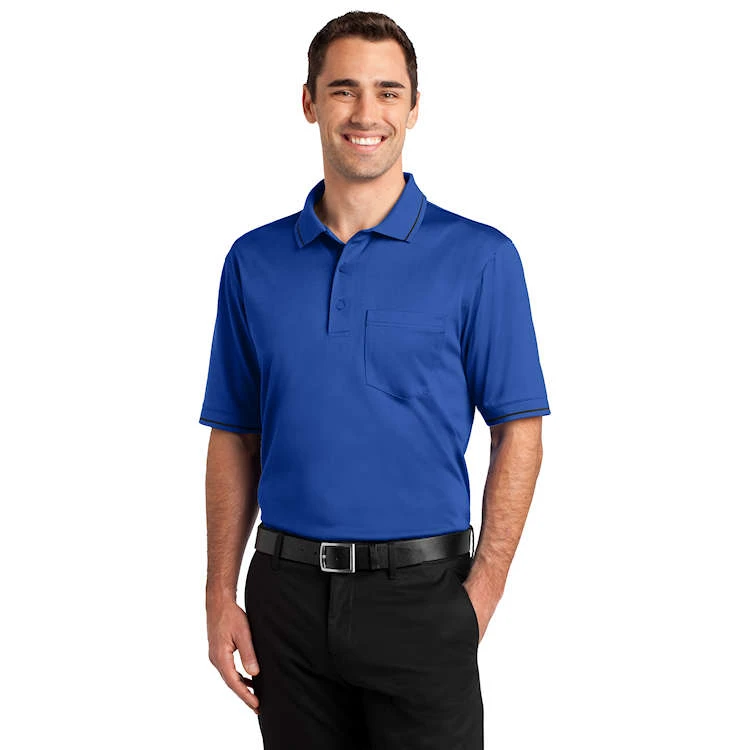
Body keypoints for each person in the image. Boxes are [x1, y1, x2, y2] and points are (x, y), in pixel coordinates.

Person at [199, 10, 550, 749]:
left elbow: (519, 430)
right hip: (286, 601)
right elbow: (234, 434)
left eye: (388, 92)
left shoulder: (480, 258)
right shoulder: (253, 262)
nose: (366, 113)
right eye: (343, 90)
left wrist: (482, 592)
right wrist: (218, 592)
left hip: (424, 599)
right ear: (309, 102)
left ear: (414, 108)